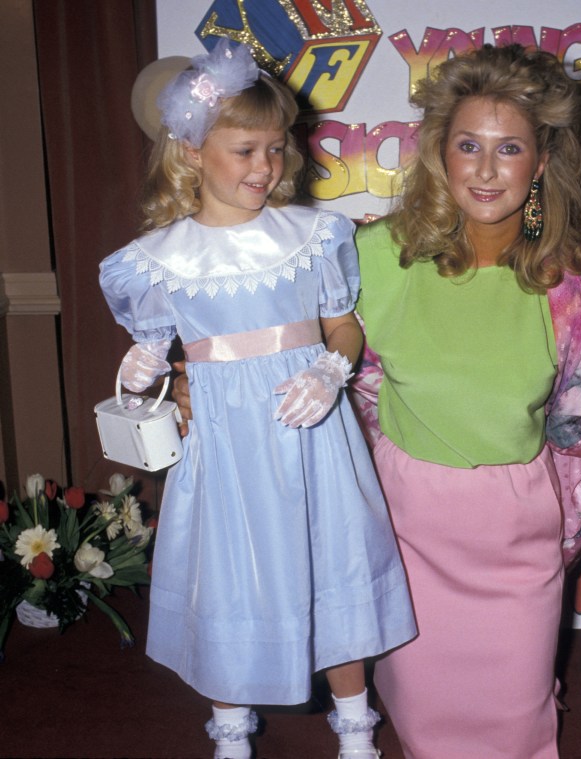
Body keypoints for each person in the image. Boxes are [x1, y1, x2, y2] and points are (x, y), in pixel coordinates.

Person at [100, 40, 416, 759]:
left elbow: (342, 324)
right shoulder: (158, 258)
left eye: (276, 149)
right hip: (226, 444)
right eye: (245, 150)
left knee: (330, 559)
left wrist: (331, 371)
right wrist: (147, 359)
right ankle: (232, 729)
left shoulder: (311, 234)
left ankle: (357, 726)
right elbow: (160, 346)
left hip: (309, 432)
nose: (265, 167)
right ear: (191, 152)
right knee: (231, 575)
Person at [346, 44, 581, 759]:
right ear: (440, 151)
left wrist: (564, 520)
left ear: (540, 160)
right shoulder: (378, 254)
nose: (488, 169)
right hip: (407, 520)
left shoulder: (575, 272)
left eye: (509, 148)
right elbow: (340, 380)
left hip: (520, 524)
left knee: (515, 714)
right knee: (424, 713)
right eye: (468, 145)